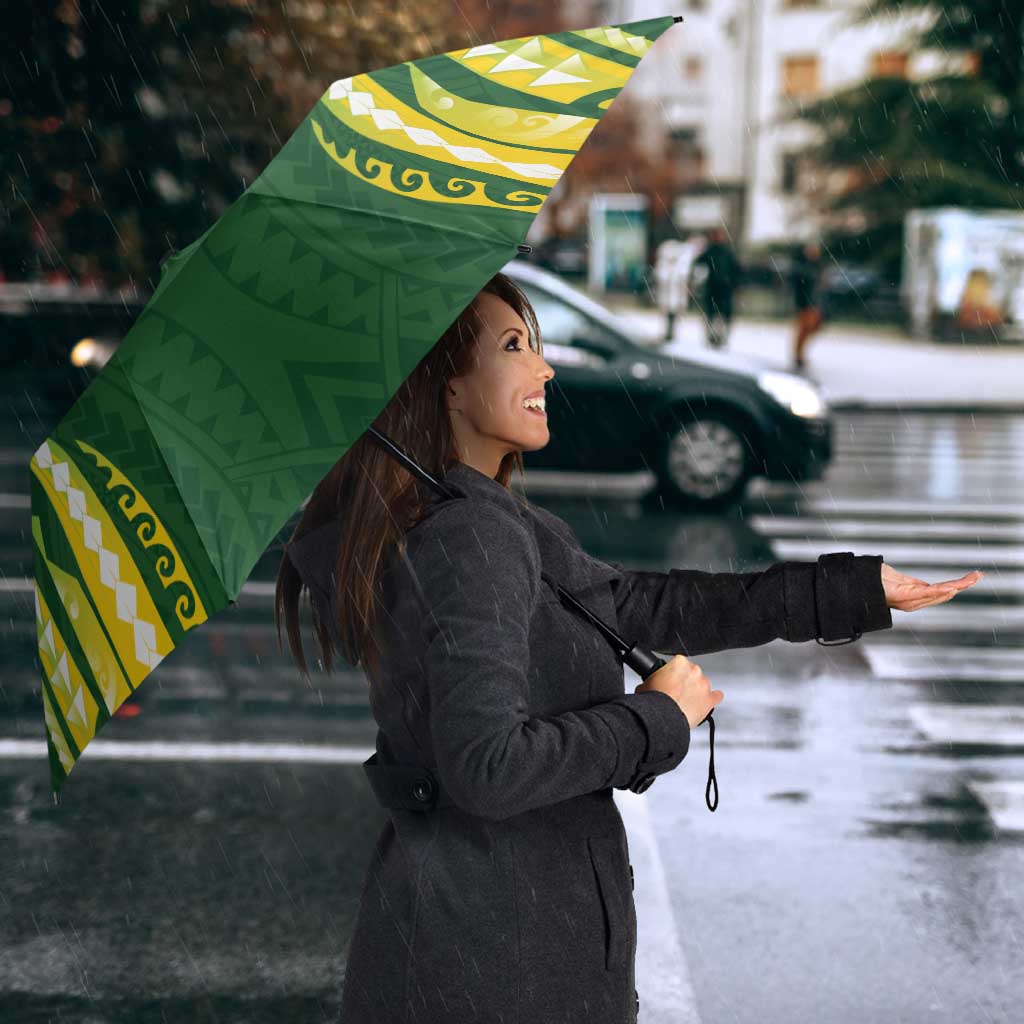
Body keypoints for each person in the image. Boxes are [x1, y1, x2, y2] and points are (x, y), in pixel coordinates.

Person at [276, 272, 982, 1024]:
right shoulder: (470, 537)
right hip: (497, 962)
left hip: (479, 944)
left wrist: (848, 590)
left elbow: (644, 606)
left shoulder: (480, 520)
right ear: (445, 388)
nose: (544, 368)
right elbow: (487, 767)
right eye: (514, 346)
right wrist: (655, 719)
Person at [692, 226, 742, 349]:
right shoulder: (712, 251)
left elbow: (736, 270)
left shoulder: (725, 252)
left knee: (720, 315)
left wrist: (735, 284)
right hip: (715, 288)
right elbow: (698, 264)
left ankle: (719, 337)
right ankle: (713, 337)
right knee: (713, 314)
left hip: (723, 288)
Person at [790, 239, 826, 370]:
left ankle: (799, 354)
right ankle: (798, 355)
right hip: (805, 303)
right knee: (804, 329)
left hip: (814, 303)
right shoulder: (802, 267)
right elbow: (799, 286)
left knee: (812, 328)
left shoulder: (817, 266)